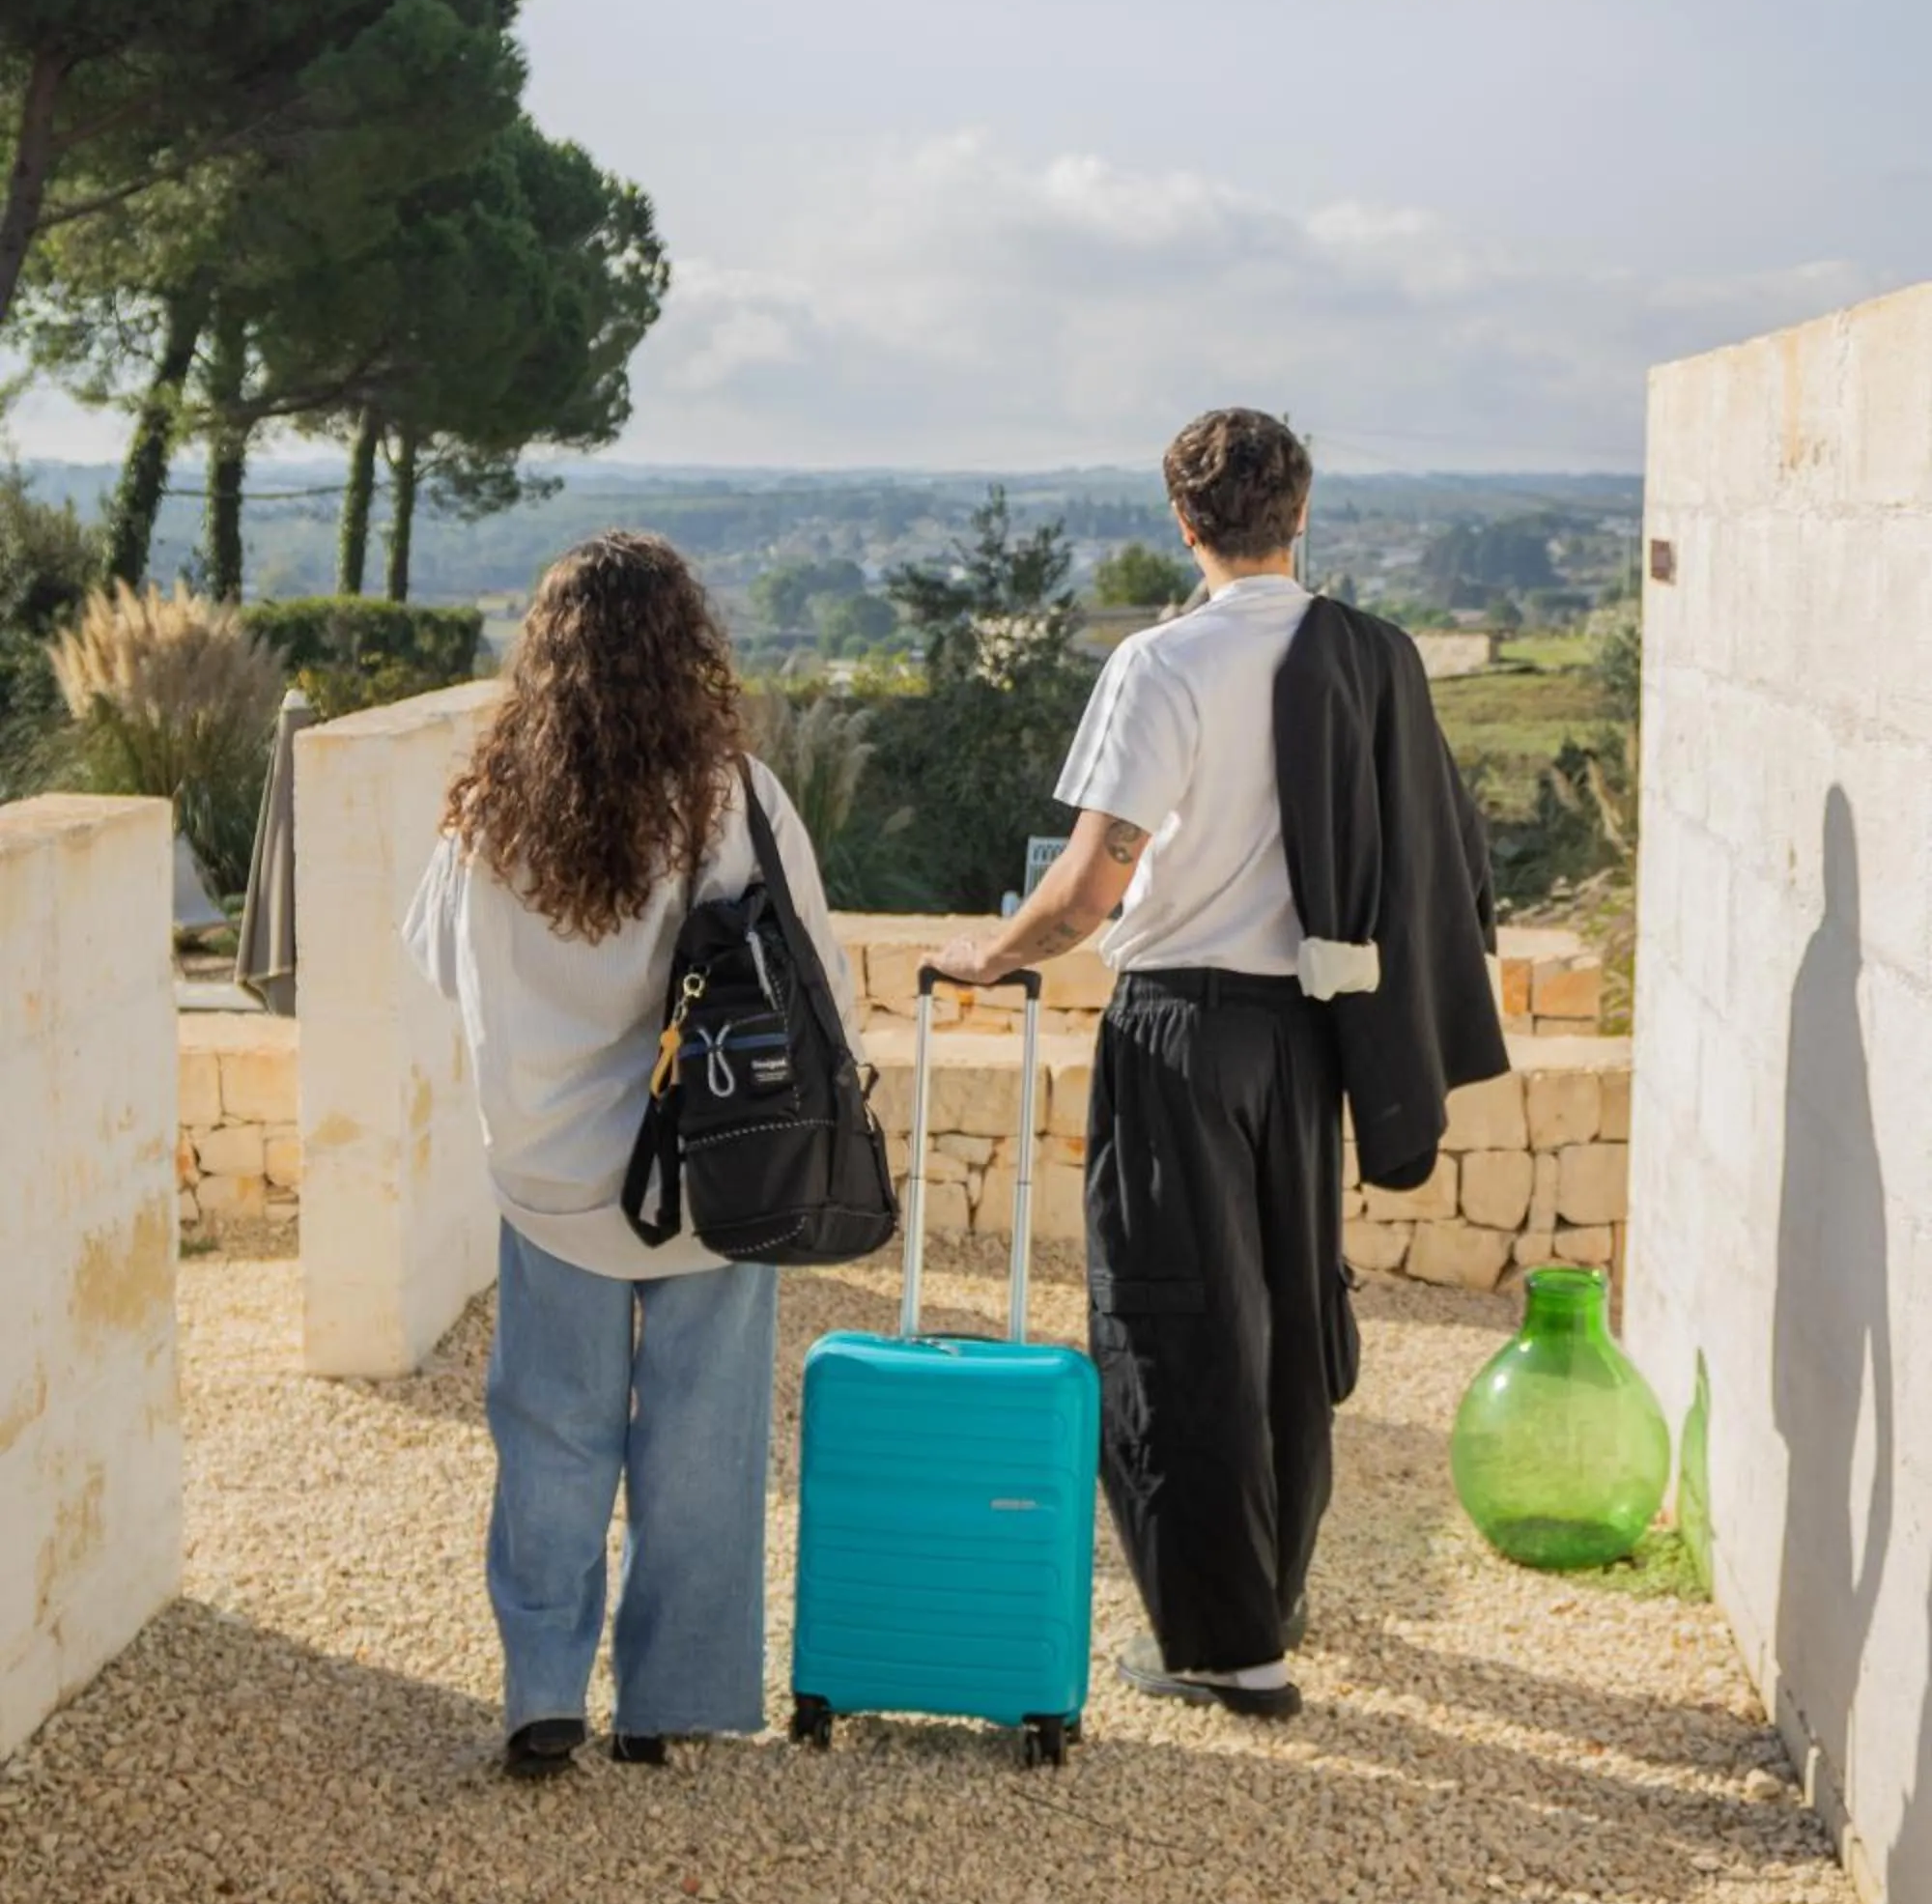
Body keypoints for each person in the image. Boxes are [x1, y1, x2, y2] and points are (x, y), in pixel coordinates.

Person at [938, 407, 1502, 1721]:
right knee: (1292, 1322)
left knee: (1174, 1323)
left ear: (1182, 522)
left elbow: (1092, 888)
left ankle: (1225, 1647)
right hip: (1310, 1035)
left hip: (1180, 1029)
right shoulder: (1373, 657)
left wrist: (991, 956)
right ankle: (1272, 1596)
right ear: (1300, 514)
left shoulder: (1162, 663)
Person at [404, 530, 862, 1778]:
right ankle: (669, 1702)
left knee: (551, 1434)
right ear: (684, 647)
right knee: (701, 1440)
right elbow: (821, 983)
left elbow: (441, 964)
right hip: (720, 1171)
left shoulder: (490, 813)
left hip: (551, 1177)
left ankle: (542, 1693)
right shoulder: (734, 799)